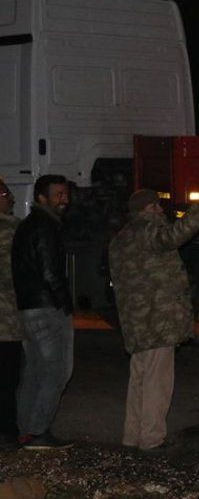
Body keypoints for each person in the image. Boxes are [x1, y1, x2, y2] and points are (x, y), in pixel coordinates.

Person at [108, 190, 199, 452]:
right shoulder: (148, 230)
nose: (161, 210)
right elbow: (175, 235)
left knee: (139, 380)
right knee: (158, 381)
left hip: (136, 323)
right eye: (156, 205)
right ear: (147, 209)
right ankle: (152, 438)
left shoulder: (121, 239)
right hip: (158, 321)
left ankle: (132, 435)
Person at [11, 174, 74, 450]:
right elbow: (50, 271)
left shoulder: (27, 226)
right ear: (41, 198)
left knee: (35, 371)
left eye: (65, 194)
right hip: (46, 308)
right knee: (56, 370)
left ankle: (25, 431)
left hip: (28, 307)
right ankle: (38, 432)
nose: (64, 199)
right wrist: (64, 303)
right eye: (58, 194)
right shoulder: (44, 227)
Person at [0, 179, 21, 446]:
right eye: (6, 194)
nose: (11, 200)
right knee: (7, 381)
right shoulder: (11, 230)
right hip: (5, 322)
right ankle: (6, 431)